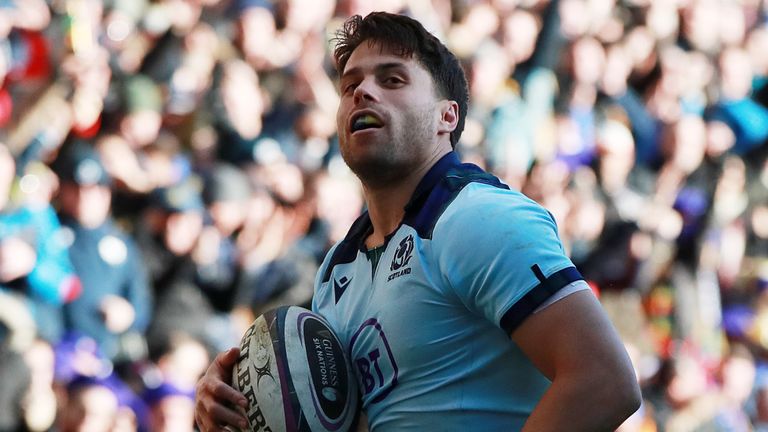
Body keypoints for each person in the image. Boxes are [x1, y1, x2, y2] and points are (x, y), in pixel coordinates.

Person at [194, 11, 641, 431]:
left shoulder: (478, 218)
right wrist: (239, 400)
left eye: (392, 79)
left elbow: (605, 381)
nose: (363, 92)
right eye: (350, 86)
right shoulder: (337, 268)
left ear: (447, 116)